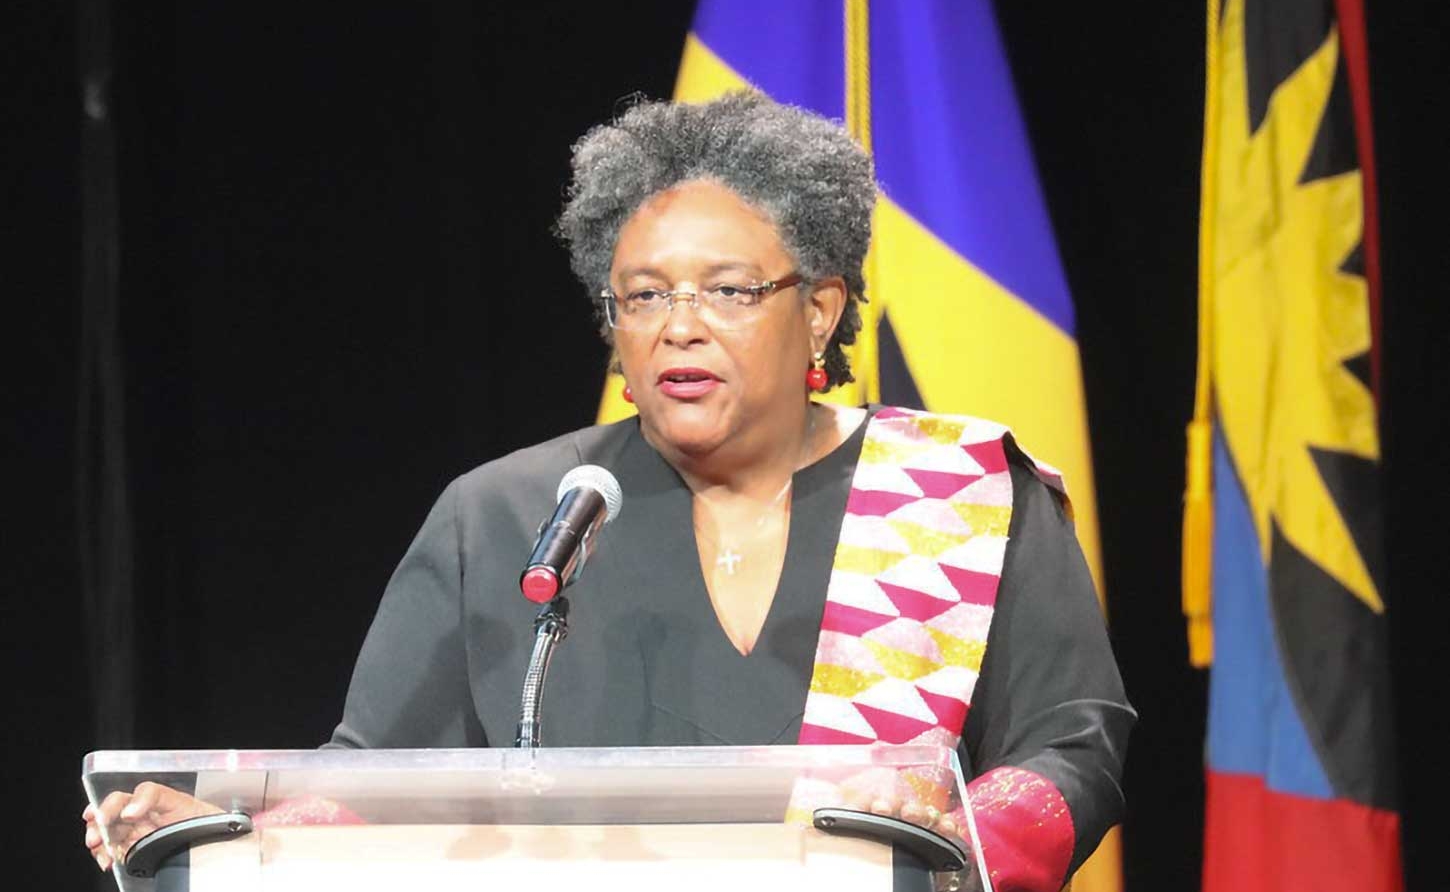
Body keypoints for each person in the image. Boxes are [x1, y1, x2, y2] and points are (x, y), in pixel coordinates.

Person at [85, 92, 1133, 892]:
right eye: (641, 296)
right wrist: (212, 826)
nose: (679, 324)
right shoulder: (509, 517)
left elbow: (1072, 744)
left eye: (727, 290)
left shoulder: (962, 493)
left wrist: (955, 825)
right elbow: (367, 784)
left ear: (818, 311)